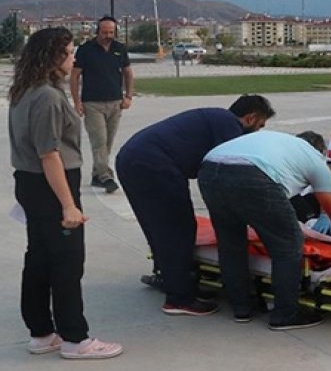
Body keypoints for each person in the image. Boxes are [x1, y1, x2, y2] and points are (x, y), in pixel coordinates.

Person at [8, 27, 122, 360]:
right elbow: (49, 154)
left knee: (40, 259)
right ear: (53, 57)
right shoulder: (46, 96)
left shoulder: (24, 90)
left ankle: (42, 333)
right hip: (52, 184)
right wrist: (68, 205)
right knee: (67, 263)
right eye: (70, 52)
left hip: (30, 183)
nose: (74, 58)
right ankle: (75, 339)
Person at [115, 95, 275, 316]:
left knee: (157, 225)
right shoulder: (229, 128)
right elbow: (231, 172)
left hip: (131, 159)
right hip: (155, 165)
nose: (257, 133)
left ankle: (170, 278)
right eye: (259, 126)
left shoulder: (216, 118)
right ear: (251, 118)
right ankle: (179, 298)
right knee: (178, 228)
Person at [198, 130, 331, 330]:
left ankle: (241, 307)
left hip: (209, 171)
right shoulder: (315, 160)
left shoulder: (279, 143)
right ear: (320, 151)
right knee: (287, 247)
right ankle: (286, 314)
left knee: (231, 242)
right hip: (253, 176)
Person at [70, 16, 134, 194]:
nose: (108, 35)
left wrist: (128, 96)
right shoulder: (85, 50)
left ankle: (96, 175)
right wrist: (77, 101)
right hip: (92, 103)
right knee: (99, 141)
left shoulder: (119, 49)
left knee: (107, 143)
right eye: (104, 32)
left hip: (115, 102)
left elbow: (128, 73)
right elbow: (74, 76)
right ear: (97, 31)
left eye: (111, 32)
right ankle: (106, 177)